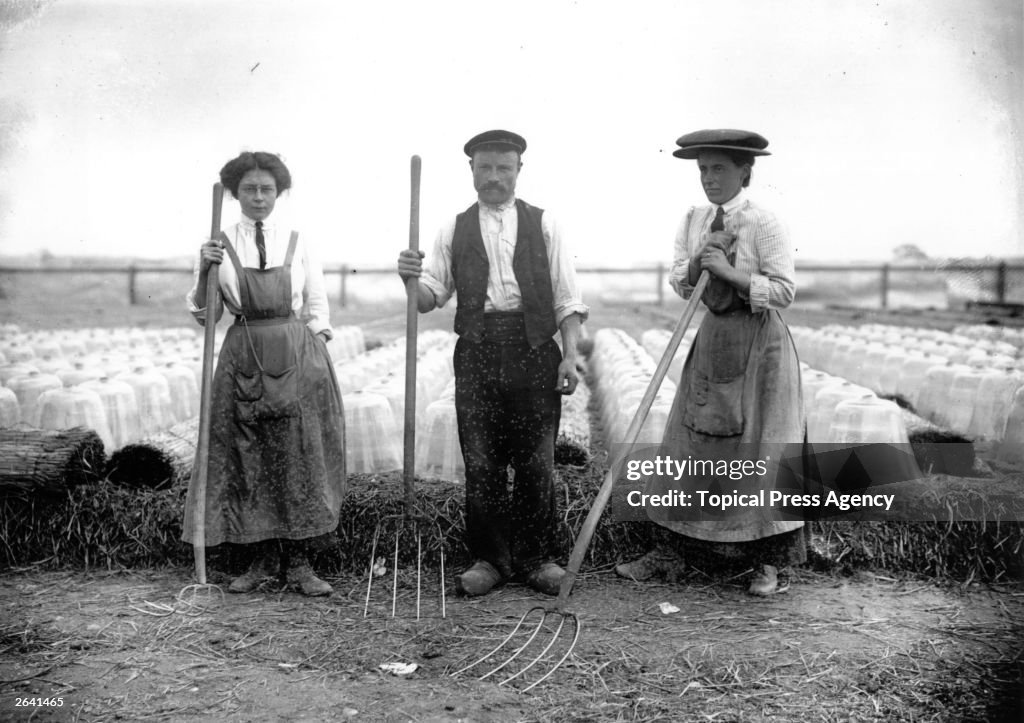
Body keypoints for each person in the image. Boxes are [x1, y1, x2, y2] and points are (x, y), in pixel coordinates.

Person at [397, 130, 588, 597]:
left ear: (519, 171)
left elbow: (567, 298)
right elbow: (430, 299)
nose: (494, 177)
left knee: (535, 461)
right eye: (485, 168)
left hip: (534, 349)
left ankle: (535, 559)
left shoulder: (545, 225)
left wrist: (571, 356)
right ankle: (490, 560)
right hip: (478, 350)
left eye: (504, 168)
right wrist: (409, 278)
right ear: (472, 172)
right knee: (481, 461)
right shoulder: (454, 228)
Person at [615, 129, 806, 596]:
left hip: (760, 343)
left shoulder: (764, 222)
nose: (709, 178)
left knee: (763, 446)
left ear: (745, 171)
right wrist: (701, 265)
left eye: (718, 168)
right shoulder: (694, 219)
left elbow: (782, 291)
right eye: (703, 169)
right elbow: (681, 282)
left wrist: (729, 273)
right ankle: (672, 553)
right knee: (690, 440)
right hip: (715, 337)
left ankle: (767, 564)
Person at [183, 151, 346, 597]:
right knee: (248, 456)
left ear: (279, 192)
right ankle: (261, 560)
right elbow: (207, 315)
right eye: (250, 189)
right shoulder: (218, 242)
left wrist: (315, 362)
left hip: (296, 354)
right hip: (244, 353)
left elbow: (316, 306)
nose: (259, 197)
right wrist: (204, 270)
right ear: (235, 193)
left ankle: (299, 563)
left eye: (267, 189)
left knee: (297, 455)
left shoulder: (297, 239)